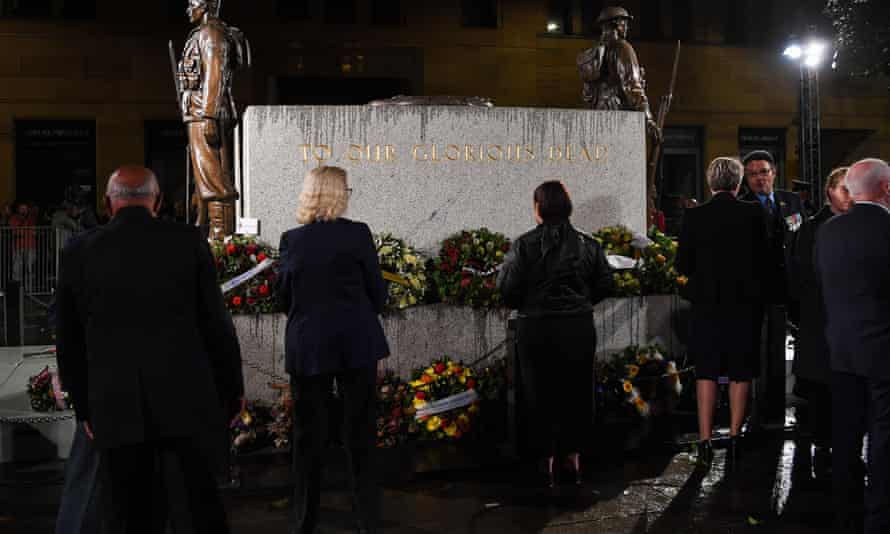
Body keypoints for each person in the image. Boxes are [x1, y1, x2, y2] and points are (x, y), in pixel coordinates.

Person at [55, 165, 244, 533]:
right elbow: (215, 325)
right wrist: (232, 389)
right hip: (184, 398)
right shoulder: (187, 242)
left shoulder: (79, 251)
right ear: (155, 200)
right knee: (196, 502)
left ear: (110, 203)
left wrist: (84, 407)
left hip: (114, 402)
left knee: (126, 509)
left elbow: (70, 337)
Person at [276, 166, 389, 534]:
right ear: (339, 194)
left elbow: (283, 297)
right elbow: (378, 293)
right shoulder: (358, 235)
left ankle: (304, 520)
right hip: (356, 342)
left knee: (308, 437)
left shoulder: (292, 240)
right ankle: (367, 520)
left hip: (309, 346)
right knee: (359, 435)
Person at [497, 180, 613, 487]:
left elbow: (507, 290)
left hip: (536, 327)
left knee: (538, 392)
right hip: (577, 325)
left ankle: (545, 458)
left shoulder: (523, 244)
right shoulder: (589, 244)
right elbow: (605, 283)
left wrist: (529, 304)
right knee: (576, 391)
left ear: (538, 208)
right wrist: (581, 304)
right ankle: (572, 457)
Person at [676, 157, 769, 468]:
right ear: (738, 182)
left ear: (710, 183)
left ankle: (704, 441)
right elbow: (764, 259)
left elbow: (683, 266)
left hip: (707, 304)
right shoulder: (754, 212)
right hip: (744, 304)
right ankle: (732, 438)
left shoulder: (695, 216)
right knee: (741, 371)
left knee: (707, 370)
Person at [815, 158, 890, 534]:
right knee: (883, 439)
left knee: (845, 437)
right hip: (883, 355)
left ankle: (843, 513)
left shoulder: (829, 231)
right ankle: (878, 518)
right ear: (886, 189)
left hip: (842, 349)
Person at [790, 167, 852, 480]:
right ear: (829, 191)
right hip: (822, 321)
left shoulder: (860, 224)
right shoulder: (812, 228)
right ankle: (824, 448)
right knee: (823, 390)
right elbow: (802, 275)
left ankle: (844, 448)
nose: (849, 194)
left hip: (850, 325)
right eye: (843, 188)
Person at [739, 150, 805, 424]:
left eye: (763, 172)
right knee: (756, 352)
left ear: (774, 173)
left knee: (778, 351)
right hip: (753, 293)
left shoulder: (791, 201)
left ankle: (777, 408)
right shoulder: (741, 205)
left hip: (787, 289)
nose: (759, 178)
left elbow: (801, 238)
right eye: (752, 174)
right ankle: (757, 410)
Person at [178, 0, 249, 239]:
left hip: (204, 112)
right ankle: (211, 235)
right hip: (197, 112)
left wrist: (208, 115)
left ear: (207, 6)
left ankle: (220, 242)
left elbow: (214, 75)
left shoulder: (211, 33)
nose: (188, 9)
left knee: (215, 181)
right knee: (205, 179)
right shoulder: (203, 33)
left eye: (193, 4)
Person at [9, 201, 37, 288]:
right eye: (22, 209)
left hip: (30, 246)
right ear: (18, 209)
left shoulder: (31, 218)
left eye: (25, 209)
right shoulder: (13, 218)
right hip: (18, 247)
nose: (24, 210)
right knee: (17, 270)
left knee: (30, 269)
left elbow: (34, 232)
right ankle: (17, 290)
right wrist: (25, 229)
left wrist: (24, 230)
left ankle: (29, 289)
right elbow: (16, 232)